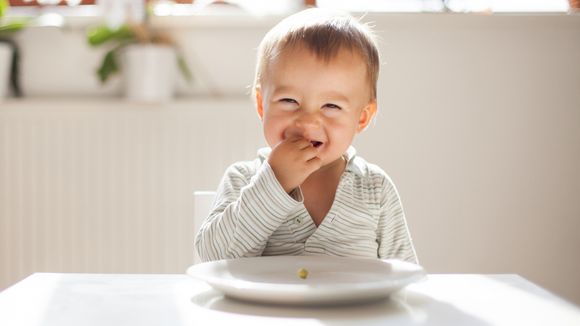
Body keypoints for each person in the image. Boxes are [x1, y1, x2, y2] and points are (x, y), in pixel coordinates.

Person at [195, 8, 418, 264]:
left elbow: (406, 277)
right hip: (266, 306)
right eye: (289, 100)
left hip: (352, 306)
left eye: (331, 106)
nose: (308, 120)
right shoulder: (243, 179)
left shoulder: (375, 189)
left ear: (362, 118)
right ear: (261, 104)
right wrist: (273, 183)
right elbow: (214, 259)